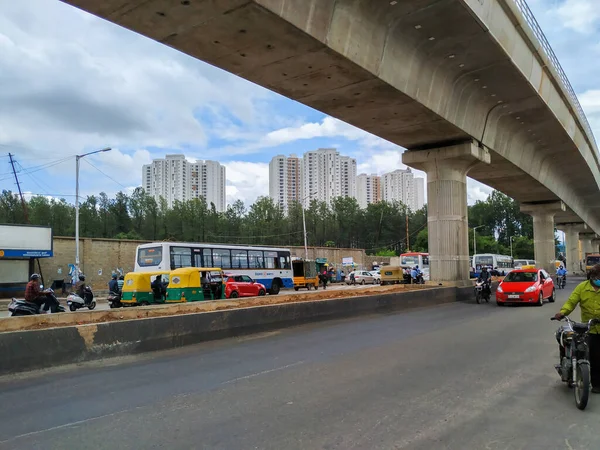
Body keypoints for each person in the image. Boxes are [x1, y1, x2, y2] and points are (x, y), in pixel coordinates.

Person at [554, 264, 600, 393]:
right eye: (597, 277)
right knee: (587, 354)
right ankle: (585, 379)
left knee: (598, 358)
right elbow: (571, 302)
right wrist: (563, 312)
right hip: (589, 328)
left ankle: (596, 382)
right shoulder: (582, 288)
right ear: (591, 277)